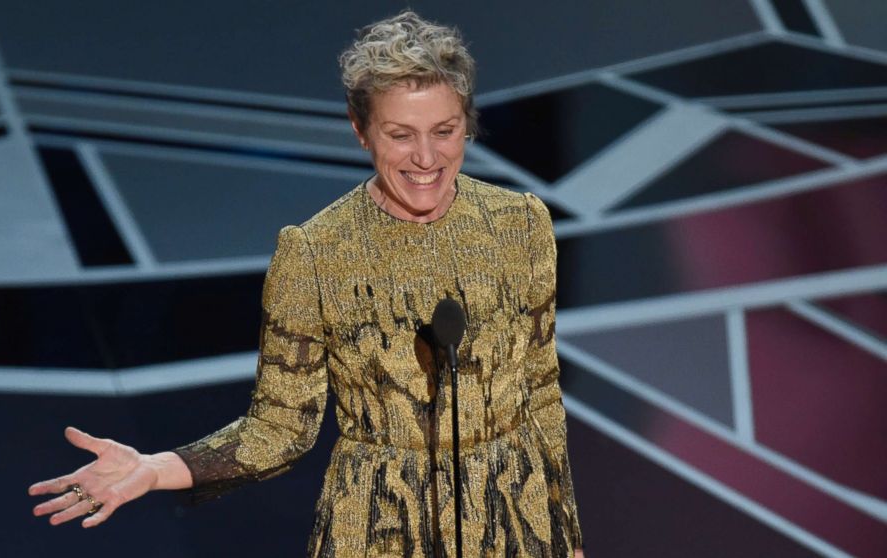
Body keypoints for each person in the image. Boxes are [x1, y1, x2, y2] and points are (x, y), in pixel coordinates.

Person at [29, 10, 585, 558]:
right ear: (360, 129)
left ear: (468, 123)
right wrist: (154, 469)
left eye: (444, 132)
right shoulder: (314, 252)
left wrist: (566, 538)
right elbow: (279, 426)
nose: (425, 157)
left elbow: (540, 389)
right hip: (378, 523)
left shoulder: (520, 222)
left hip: (515, 517)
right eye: (400, 134)